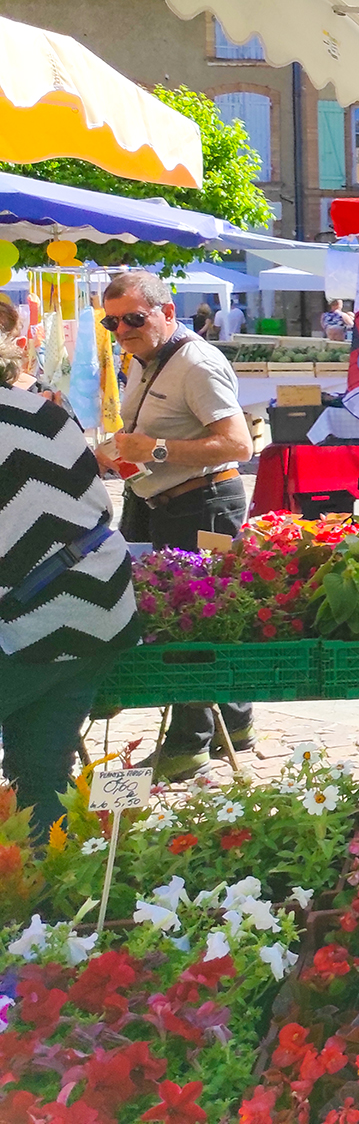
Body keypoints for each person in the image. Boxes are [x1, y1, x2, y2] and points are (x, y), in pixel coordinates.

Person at [104, 272, 256, 779]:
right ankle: (234, 723)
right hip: (165, 504)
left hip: (206, 506)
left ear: (167, 312)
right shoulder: (146, 360)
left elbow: (239, 445)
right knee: (194, 616)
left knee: (190, 622)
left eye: (133, 318)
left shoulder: (196, 362)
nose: (122, 329)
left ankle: (188, 744)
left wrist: (156, 450)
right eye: (112, 321)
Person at [0, 331, 140, 841]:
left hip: (34, 618)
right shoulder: (44, 412)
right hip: (99, 605)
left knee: (37, 762)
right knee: (40, 765)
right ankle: (47, 898)